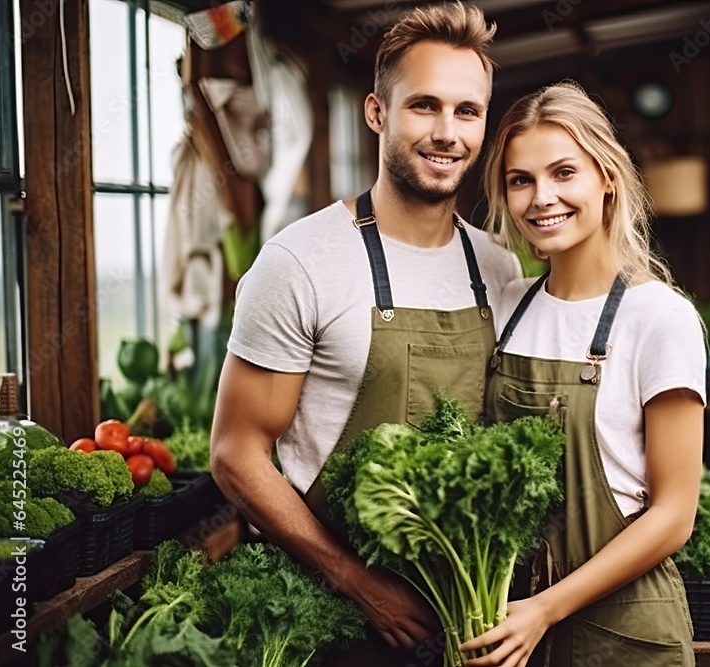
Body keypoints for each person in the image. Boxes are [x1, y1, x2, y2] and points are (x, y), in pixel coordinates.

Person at [210, 3, 520, 665]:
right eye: (424, 106)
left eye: (467, 111)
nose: (447, 132)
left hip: (467, 614)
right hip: (334, 623)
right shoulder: (301, 261)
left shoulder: (498, 267)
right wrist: (354, 579)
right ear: (377, 112)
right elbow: (236, 451)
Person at [460, 81, 705, 666]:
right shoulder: (506, 309)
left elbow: (674, 516)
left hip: (624, 631)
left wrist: (546, 608)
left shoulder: (660, 317)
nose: (542, 197)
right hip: (510, 623)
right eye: (521, 180)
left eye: (564, 172)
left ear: (607, 179)